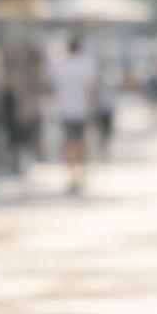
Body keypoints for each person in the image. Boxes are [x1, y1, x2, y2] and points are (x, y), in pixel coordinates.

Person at [48, 34, 98, 194]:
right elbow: (91, 90)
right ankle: (80, 173)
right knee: (81, 143)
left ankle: (72, 174)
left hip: (65, 110)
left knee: (69, 143)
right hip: (82, 110)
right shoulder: (86, 65)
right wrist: (90, 109)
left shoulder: (60, 65)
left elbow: (54, 89)